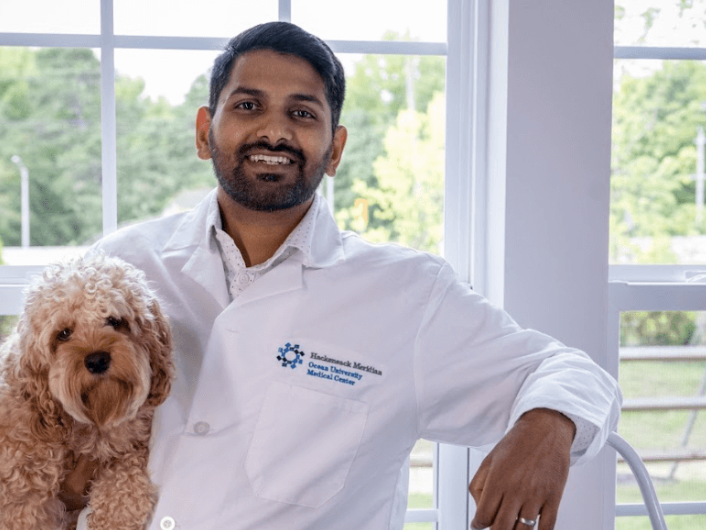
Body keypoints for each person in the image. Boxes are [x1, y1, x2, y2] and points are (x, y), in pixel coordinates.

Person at [65, 21, 621, 530]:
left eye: (302, 113)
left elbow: (567, 370)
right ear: (205, 130)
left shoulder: (407, 293)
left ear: (335, 149)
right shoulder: (120, 267)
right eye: (248, 106)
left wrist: (547, 426)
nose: (274, 132)